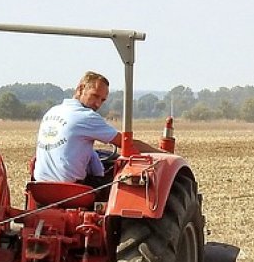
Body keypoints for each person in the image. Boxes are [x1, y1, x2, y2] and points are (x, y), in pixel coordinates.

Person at [33, 71, 162, 184]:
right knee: (122, 180)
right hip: (72, 188)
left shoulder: (52, 112)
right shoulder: (86, 116)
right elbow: (126, 143)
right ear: (80, 89)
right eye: (95, 96)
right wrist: (162, 155)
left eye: (102, 100)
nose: (98, 104)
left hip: (40, 186)